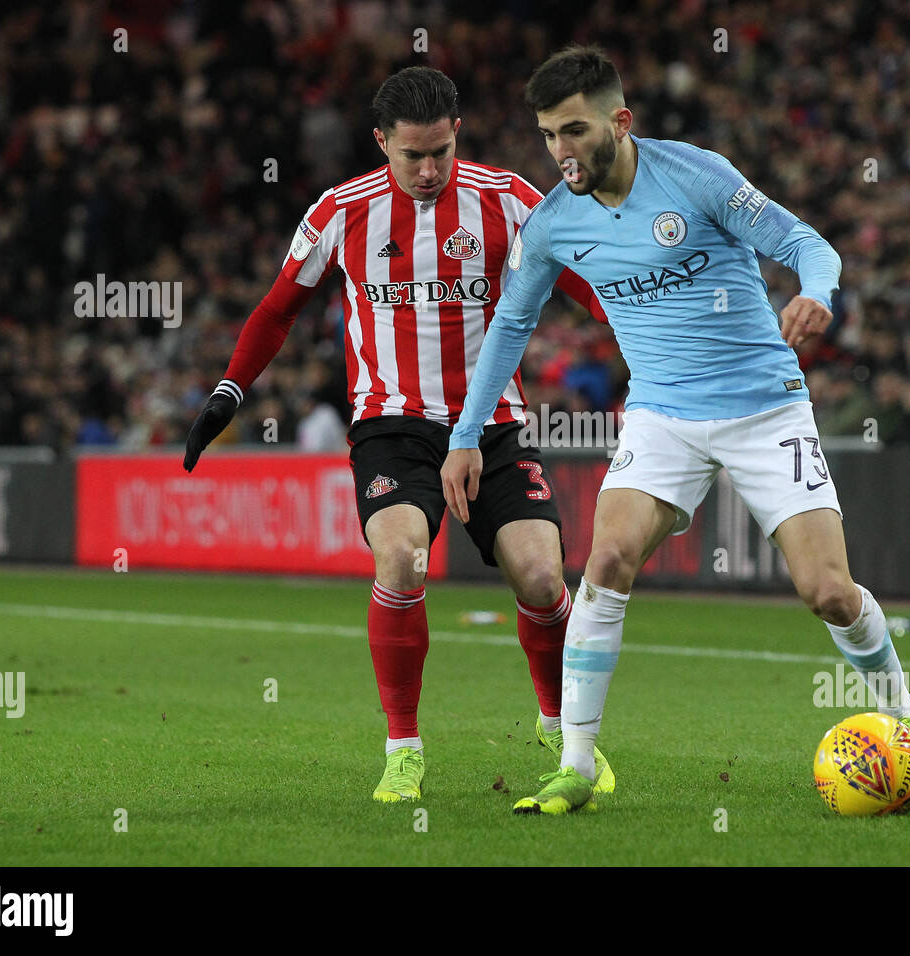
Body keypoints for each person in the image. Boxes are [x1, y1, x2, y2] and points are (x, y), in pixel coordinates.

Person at [442, 46, 910, 815]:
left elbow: (805, 243)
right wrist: (463, 436)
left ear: (621, 121)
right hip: (661, 416)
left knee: (827, 593)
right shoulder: (552, 224)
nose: (561, 152)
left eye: (575, 131)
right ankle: (577, 766)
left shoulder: (695, 175)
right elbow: (511, 325)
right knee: (607, 557)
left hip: (764, 408)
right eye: (549, 135)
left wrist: (817, 291)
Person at [184, 66, 614, 804]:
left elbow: (591, 290)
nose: (426, 171)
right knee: (402, 559)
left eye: (439, 153)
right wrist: (230, 388)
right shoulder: (340, 211)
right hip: (393, 426)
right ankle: (404, 748)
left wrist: (662, 355)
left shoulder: (509, 201)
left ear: (458, 135)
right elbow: (278, 308)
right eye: (410, 154)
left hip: (494, 424)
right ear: (380, 142)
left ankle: (560, 728)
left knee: (543, 580)